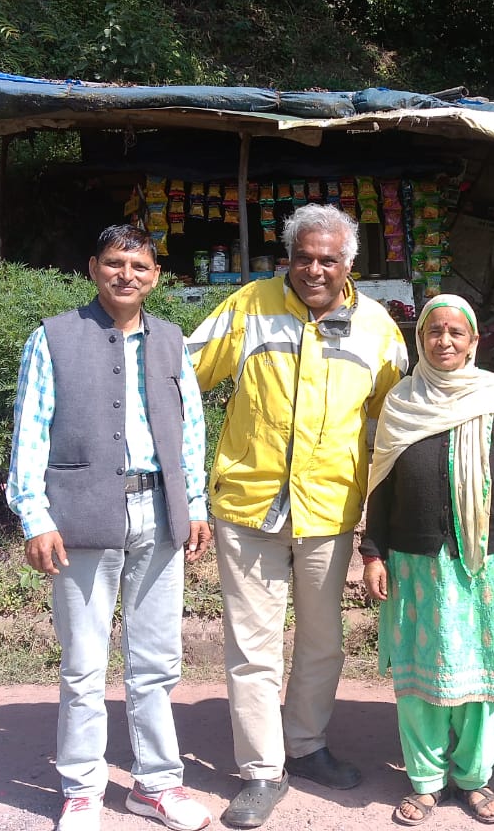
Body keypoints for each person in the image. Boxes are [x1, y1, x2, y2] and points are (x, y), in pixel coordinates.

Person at [187, 203, 408, 830]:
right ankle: (262, 770)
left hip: (330, 508)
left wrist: (384, 520)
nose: (315, 269)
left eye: (328, 259)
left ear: (349, 264)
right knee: (251, 647)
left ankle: (305, 744)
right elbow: (182, 374)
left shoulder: (377, 327)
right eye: (304, 257)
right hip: (248, 505)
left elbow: (396, 423)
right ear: (289, 256)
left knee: (321, 641)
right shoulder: (249, 305)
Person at [7, 224, 214, 831]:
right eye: (116, 262)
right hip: (80, 516)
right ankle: (81, 790)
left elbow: (192, 428)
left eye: (140, 266)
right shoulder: (54, 338)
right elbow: (30, 428)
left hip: (159, 510)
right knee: (83, 662)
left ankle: (154, 785)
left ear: (156, 277)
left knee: (156, 661)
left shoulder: (172, 341)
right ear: (93, 267)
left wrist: (195, 502)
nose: (128, 274)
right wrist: (35, 514)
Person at [361, 294, 494, 826]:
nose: (444, 341)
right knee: (421, 679)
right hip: (416, 563)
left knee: (482, 678)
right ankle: (425, 780)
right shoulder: (401, 402)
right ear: (421, 339)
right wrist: (374, 552)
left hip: (483, 562)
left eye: (455, 333)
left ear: (473, 341)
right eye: (434, 332)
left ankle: (474, 778)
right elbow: (382, 486)